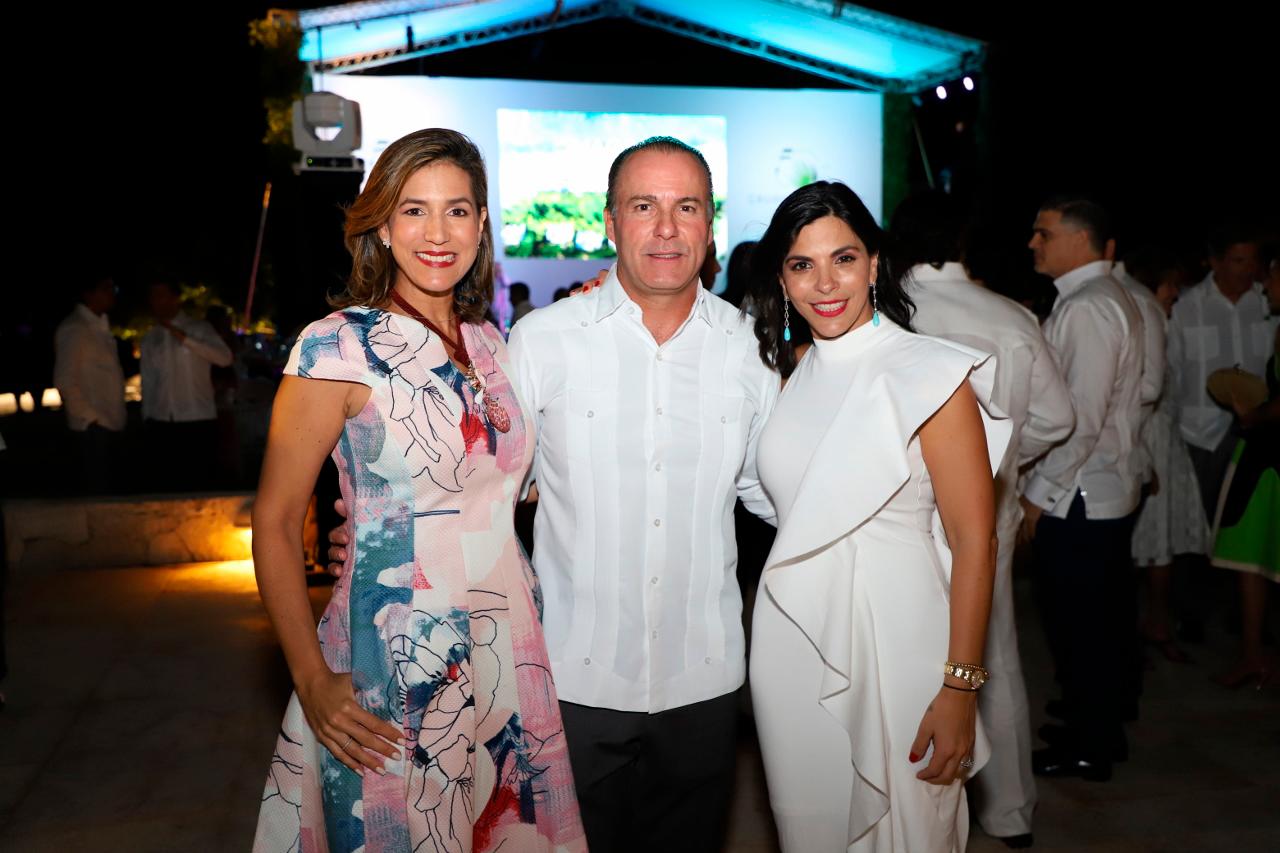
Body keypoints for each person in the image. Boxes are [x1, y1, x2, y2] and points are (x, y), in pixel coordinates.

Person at [252, 128, 585, 853]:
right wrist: (309, 676)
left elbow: (499, 487)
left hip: (507, 645)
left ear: (482, 223)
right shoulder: (336, 346)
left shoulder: (491, 344)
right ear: (381, 225)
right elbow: (273, 521)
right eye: (414, 210)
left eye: (457, 210)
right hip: (394, 655)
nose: (438, 233)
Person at [747, 181, 1010, 852]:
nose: (824, 283)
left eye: (843, 258)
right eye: (801, 264)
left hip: (902, 641)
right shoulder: (791, 373)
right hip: (787, 646)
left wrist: (961, 688)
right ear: (782, 279)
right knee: (808, 828)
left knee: (913, 829)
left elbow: (975, 541)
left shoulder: (930, 374)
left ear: (874, 264)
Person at [892, 190, 1074, 848]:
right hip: (990, 511)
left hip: (901, 514)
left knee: (903, 655)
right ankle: (1010, 812)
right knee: (994, 656)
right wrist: (1003, 458)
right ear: (964, 241)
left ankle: (908, 804)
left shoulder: (890, 315)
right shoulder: (1012, 315)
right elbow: (1059, 418)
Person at [1022, 196, 1147, 781]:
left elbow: (1079, 419)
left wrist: (1037, 495)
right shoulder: (1099, 297)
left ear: (1079, 239)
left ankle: (1090, 745)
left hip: (1082, 493)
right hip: (1098, 487)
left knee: (1082, 628)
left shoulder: (1090, 306)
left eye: (1044, 233)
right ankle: (1092, 726)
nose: (1033, 243)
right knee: (1095, 622)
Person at [1119, 248, 1210, 662]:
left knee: (1162, 540)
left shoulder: (1162, 321)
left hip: (1166, 441)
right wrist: (1144, 457)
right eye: (1170, 284)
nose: (1176, 292)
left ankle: (1154, 622)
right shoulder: (1143, 322)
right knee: (1152, 541)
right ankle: (1146, 625)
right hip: (1149, 441)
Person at [1210, 247, 1280, 688]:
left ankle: (1255, 657)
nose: (1265, 285)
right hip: (1267, 456)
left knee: (1251, 560)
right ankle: (1256, 656)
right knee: (1257, 561)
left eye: (1272, 276)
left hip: (1268, 460)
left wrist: (1255, 415)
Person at [140, 280, 234, 490]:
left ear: (175, 298)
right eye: (153, 297)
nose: (157, 302)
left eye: (162, 295)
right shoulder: (151, 337)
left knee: (199, 484)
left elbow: (224, 358)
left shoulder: (199, 328)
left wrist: (185, 339)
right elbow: (149, 380)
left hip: (197, 418)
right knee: (167, 486)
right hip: (162, 421)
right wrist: (147, 415)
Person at [53, 275, 127, 493]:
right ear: (89, 294)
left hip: (108, 423)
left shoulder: (98, 326)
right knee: (99, 493)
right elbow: (64, 379)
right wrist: (92, 417)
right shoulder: (76, 328)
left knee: (112, 490)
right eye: (105, 289)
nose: (111, 294)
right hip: (93, 427)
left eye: (113, 288)